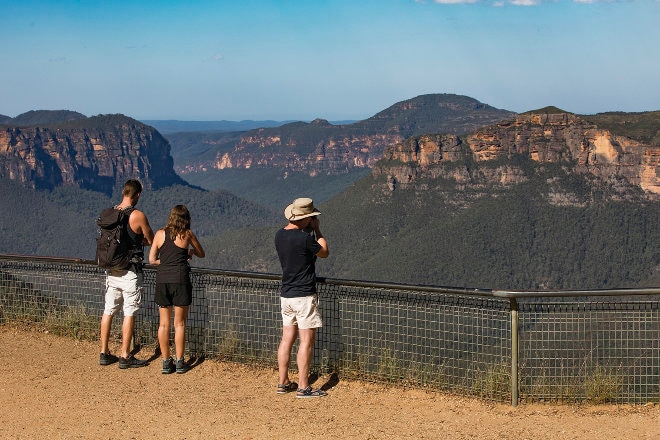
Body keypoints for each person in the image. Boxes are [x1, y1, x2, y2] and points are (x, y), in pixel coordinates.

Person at [274, 197, 329, 398]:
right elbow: (324, 252)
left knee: (287, 339)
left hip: (286, 295)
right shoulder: (305, 238)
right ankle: (304, 386)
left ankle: (283, 382)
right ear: (305, 218)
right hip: (304, 295)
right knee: (306, 341)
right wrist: (318, 230)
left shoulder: (279, 235)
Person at [99, 179, 154, 368]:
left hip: (111, 270)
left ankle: (104, 352)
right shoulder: (137, 215)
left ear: (124, 192)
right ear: (137, 195)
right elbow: (150, 239)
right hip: (130, 271)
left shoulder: (111, 213)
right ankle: (125, 355)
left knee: (109, 310)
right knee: (129, 312)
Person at [148, 205, 205, 374]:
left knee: (164, 324)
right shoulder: (187, 234)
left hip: (163, 280)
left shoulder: (159, 234)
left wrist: (165, 263)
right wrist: (190, 253)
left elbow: (152, 259)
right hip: (180, 280)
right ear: (186, 219)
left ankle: (166, 361)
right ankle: (180, 362)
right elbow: (202, 253)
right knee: (179, 324)